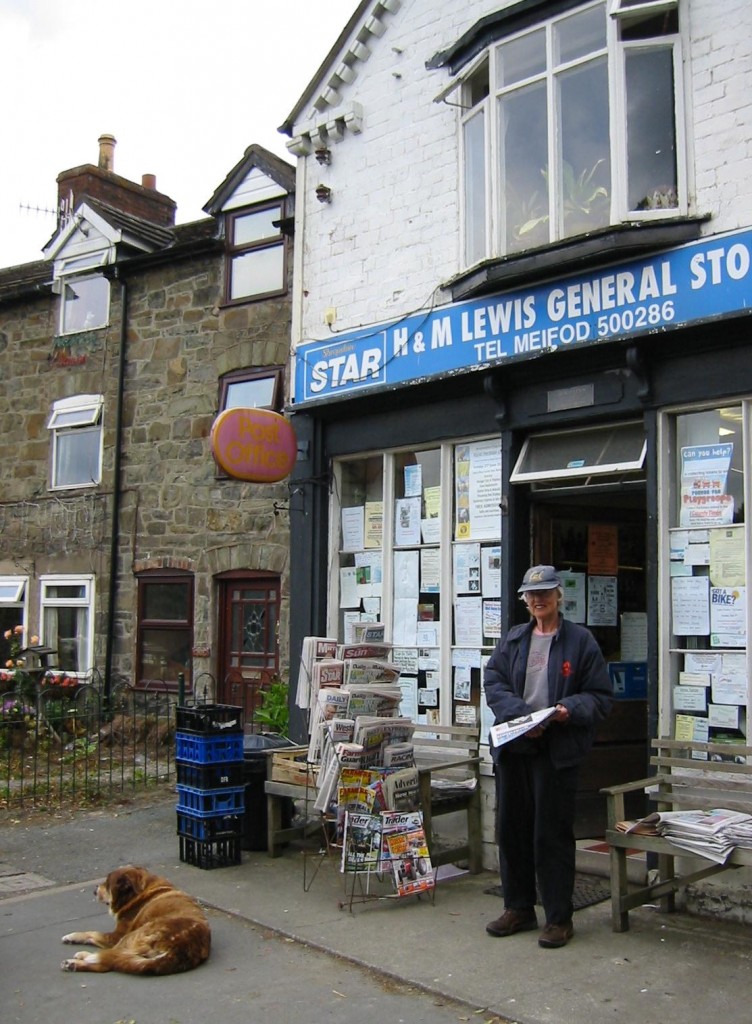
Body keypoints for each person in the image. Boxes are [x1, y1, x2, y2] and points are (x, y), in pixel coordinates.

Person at [483, 565, 613, 949]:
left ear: (559, 596)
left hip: (556, 751)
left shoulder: (581, 642)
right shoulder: (515, 639)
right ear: (525, 601)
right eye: (531, 595)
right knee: (512, 830)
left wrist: (567, 708)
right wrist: (520, 715)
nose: (539, 600)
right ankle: (519, 908)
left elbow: (600, 697)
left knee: (550, 835)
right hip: (516, 747)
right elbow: (494, 681)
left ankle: (558, 918)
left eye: (546, 593)